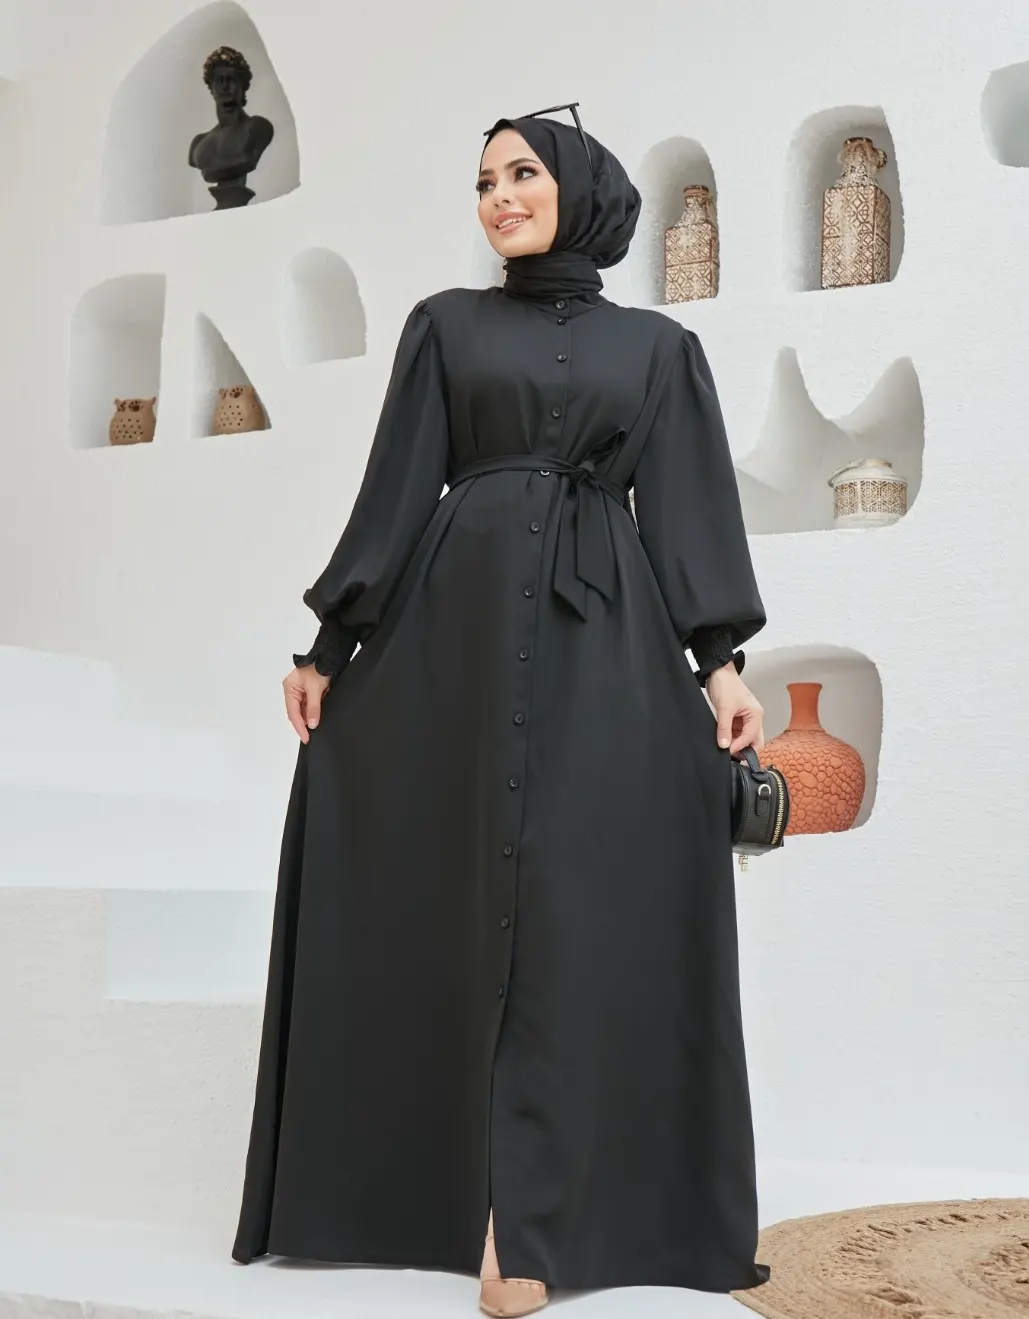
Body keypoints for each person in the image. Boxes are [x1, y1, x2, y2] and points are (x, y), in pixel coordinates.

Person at [231, 103, 772, 1317]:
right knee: (453, 897)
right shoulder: (445, 326)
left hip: (603, 641)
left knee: (578, 914)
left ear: (579, 190)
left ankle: (536, 1220)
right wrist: (330, 645)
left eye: (522, 173)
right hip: (451, 633)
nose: (498, 198)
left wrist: (721, 667)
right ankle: (459, 1207)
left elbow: (685, 510)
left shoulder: (659, 349)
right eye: (483, 181)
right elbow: (395, 489)